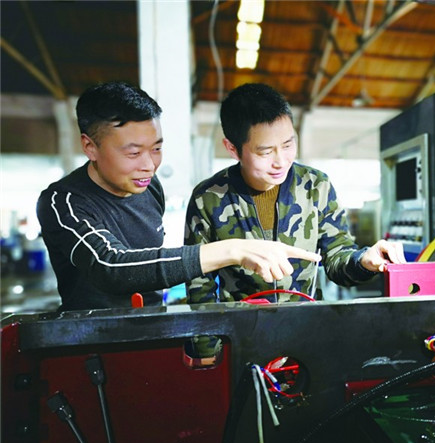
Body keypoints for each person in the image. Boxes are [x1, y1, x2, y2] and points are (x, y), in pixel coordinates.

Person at [36, 81, 320, 311]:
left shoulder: (149, 186)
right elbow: (111, 266)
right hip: (92, 345)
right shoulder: (63, 202)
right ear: (90, 147)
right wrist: (232, 250)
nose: (149, 165)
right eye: (133, 153)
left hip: (151, 332)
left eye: (156, 149)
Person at [184, 83, 406, 304]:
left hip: (305, 322)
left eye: (288, 145)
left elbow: (337, 259)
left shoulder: (316, 186)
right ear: (232, 148)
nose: (281, 162)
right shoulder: (208, 198)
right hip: (240, 325)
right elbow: (199, 288)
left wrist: (363, 260)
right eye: (266, 152)